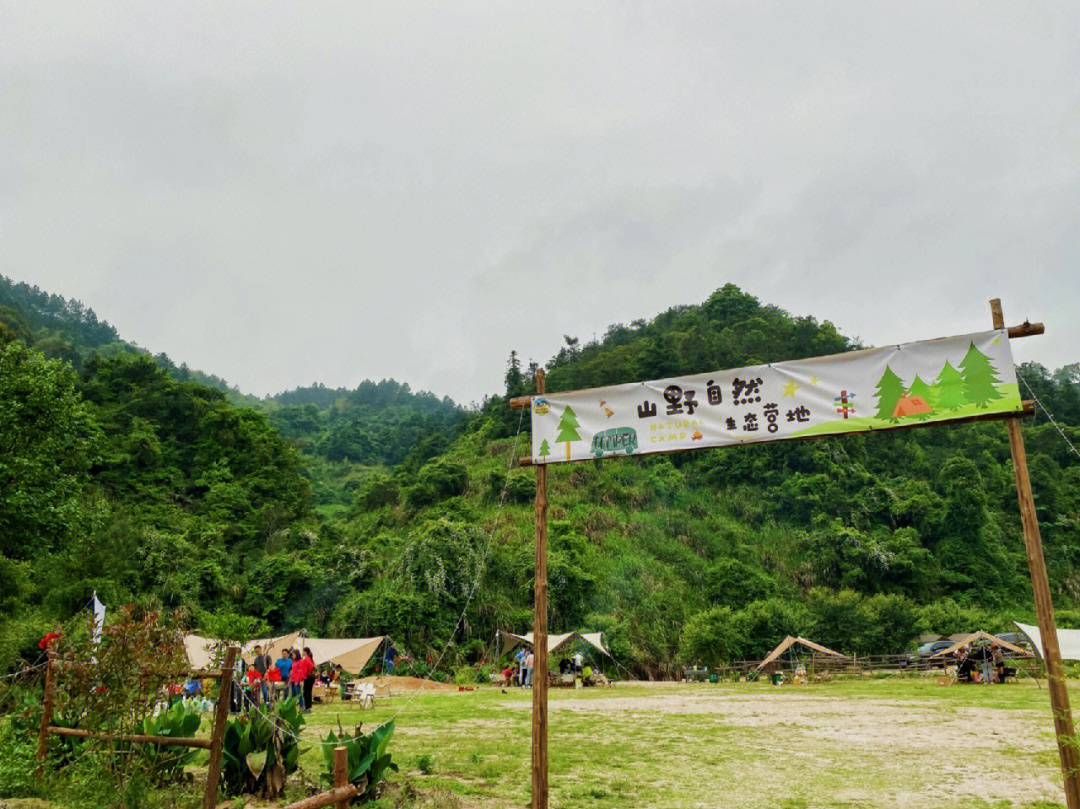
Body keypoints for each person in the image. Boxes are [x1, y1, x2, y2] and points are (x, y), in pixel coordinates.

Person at [302, 647, 317, 713]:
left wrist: (303, 677)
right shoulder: (311, 660)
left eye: (303, 651)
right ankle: (309, 706)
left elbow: (304, 670)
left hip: (307, 677)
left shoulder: (306, 660)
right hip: (312, 678)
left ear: (306, 652)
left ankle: (307, 707)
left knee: (306, 693)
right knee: (309, 692)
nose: (302, 653)